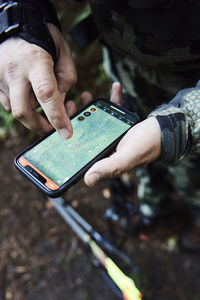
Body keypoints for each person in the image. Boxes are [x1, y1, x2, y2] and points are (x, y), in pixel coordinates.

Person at [0, 0, 200, 250]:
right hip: (124, 59)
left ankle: (197, 215)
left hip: (192, 77)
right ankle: (153, 204)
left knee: (191, 168)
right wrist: (21, 18)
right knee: (135, 150)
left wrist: (183, 123)